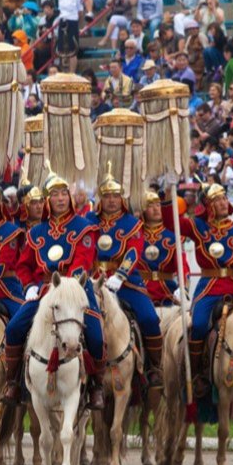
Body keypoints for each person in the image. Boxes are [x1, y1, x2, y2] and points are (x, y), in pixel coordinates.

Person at [3, 165, 105, 409]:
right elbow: (23, 264)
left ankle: (96, 386)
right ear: (48, 200)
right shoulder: (36, 231)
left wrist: (63, 287)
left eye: (63, 194)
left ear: (69, 197)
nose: (60, 199)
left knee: (95, 335)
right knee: (14, 328)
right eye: (55, 195)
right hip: (43, 289)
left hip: (76, 289)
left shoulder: (84, 227)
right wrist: (28, 285)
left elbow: (82, 263)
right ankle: (13, 382)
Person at [162, 183, 233, 397]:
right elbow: (172, 223)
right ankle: (198, 373)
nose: (222, 203)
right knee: (198, 324)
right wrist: (172, 198)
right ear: (208, 206)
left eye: (224, 198)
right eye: (217, 200)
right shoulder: (198, 226)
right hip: (209, 286)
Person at [86, 166, 164, 387]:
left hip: (126, 282)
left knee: (149, 318)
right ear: (101, 198)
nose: (112, 200)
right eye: (107, 196)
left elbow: (133, 251)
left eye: (116, 196)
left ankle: (154, 367)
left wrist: (119, 276)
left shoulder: (133, 224)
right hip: (93, 280)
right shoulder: (89, 221)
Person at [138, 191, 189, 307]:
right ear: (143, 210)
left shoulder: (173, 234)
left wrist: (183, 287)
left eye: (158, 204)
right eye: (150, 205)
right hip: (141, 290)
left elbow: (183, 266)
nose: (156, 209)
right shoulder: (135, 234)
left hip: (168, 291)